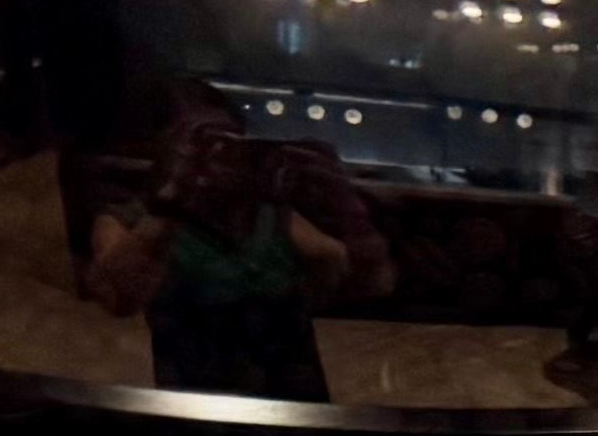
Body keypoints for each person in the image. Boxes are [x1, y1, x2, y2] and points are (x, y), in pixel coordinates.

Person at [85, 103, 391, 400]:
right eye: (207, 146)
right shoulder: (133, 221)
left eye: (234, 145)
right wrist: (173, 201)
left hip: (285, 397)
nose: (222, 161)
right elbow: (119, 301)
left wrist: (345, 204)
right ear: (169, 150)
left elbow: (370, 284)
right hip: (183, 397)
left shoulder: (272, 218)